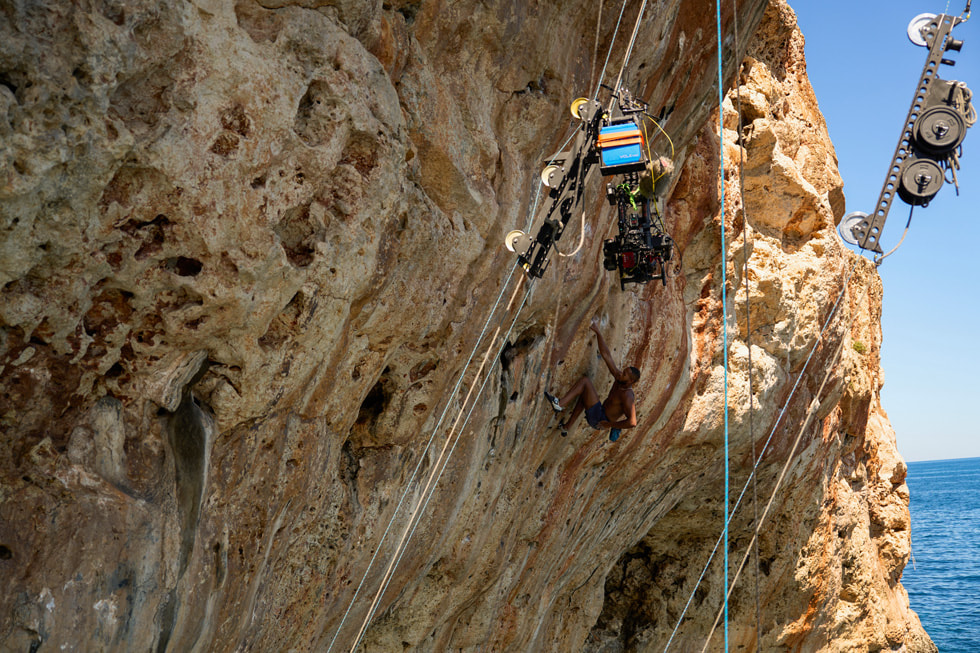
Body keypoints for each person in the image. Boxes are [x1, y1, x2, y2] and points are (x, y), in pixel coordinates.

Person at [544, 317, 639, 441]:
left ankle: (559, 404)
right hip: (599, 412)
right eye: (623, 371)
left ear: (631, 381)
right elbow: (606, 355)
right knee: (585, 395)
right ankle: (566, 427)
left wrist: (609, 425)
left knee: (585, 382)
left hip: (600, 420)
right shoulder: (619, 378)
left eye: (625, 375)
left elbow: (632, 422)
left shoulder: (627, 396)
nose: (621, 374)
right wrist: (598, 332)